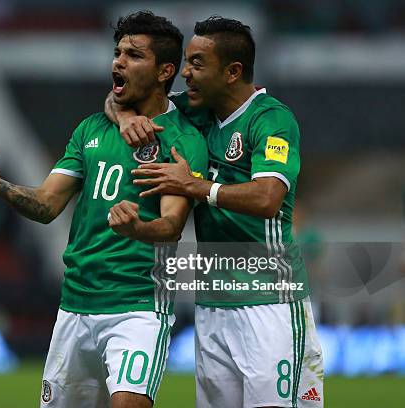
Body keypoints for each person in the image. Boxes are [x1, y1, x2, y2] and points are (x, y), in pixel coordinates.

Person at [0, 11, 208, 408]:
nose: (118, 62)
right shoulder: (91, 129)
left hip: (139, 306)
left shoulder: (184, 139)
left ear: (165, 70)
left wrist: (136, 229)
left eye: (133, 55)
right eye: (118, 53)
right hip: (75, 306)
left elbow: (170, 225)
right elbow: (47, 205)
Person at [105, 16, 324, 408]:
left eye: (197, 64)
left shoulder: (271, 119)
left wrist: (194, 186)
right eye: (186, 61)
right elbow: (120, 97)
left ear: (232, 71)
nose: (184, 73)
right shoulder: (194, 113)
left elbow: (267, 197)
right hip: (213, 304)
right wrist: (125, 118)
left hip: (270, 301)